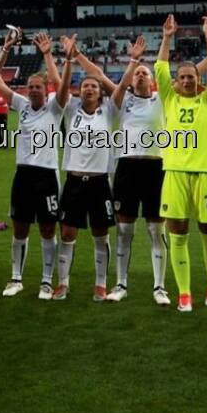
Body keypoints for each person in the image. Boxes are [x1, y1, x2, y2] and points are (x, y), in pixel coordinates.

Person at [75, 39, 170, 306]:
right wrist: (78, 54)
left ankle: (159, 287)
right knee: (125, 230)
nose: (140, 74)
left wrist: (167, 39)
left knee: (156, 231)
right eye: (137, 72)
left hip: (155, 167)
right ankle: (120, 284)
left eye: (145, 73)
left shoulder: (162, 98)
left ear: (152, 81)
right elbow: (98, 74)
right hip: (126, 167)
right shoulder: (123, 98)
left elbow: (189, 74)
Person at [155, 15, 207, 312]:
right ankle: (184, 293)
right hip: (173, 174)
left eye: (192, 76)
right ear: (176, 82)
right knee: (178, 234)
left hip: (206, 174)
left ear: (199, 80)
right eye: (183, 76)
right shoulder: (169, 100)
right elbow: (160, 68)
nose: (187, 79)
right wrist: (167, 38)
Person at [0, 31, 63, 299]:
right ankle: (16, 278)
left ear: (45, 90)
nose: (32, 90)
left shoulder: (55, 107)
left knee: (47, 228)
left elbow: (59, 83)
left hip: (46, 176)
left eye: (37, 87)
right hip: (23, 175)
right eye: (30, 87)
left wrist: (47, 54)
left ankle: (45, 280)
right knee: (20, 227)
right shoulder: (21, 106)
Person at [56, 37, 119, 302]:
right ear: (79, 92)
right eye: (85, 86)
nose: (90, 89)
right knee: (68, 232)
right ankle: (62, 283)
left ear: (100, 91)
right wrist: (68, 60)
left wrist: (78, 53)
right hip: (73, 181)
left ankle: (101, 284)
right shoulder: (70, 110)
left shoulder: (110, 110)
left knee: (100, 233)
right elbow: (59, 87)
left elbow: (102, 76)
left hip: (100, 182)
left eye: (94, 86)